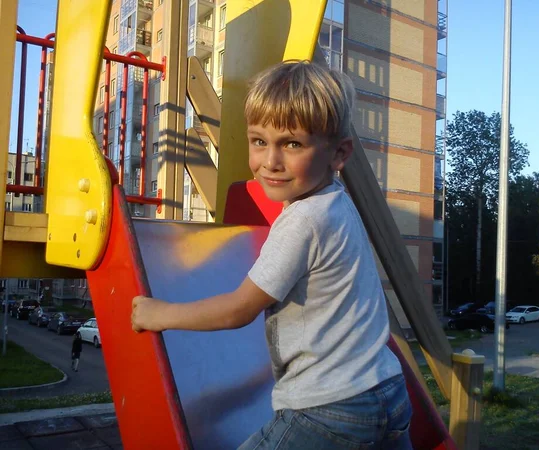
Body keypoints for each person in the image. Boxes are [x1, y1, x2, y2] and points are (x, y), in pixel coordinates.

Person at [131, 60, 413, 449]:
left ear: (339, 154)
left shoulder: (302, 222)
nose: (270, 162)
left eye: (292, 144)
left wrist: (159, 313)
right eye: (259, 141)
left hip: (329, 407)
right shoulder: (337, 202)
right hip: (387, 391)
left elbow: (238, 310)